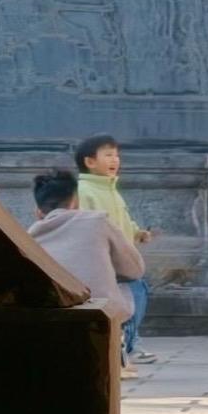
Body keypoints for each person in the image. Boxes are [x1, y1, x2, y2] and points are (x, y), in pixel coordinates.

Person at [29, 165, 141, 363]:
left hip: (49, 313)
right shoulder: (97, 221)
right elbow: (135, 268)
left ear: (38, 212)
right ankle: (126, 344)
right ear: (75, 202)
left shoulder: (30, 236)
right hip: (101, 311)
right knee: (135, 284)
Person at [76, 133, 150, 371]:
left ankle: (127, 348)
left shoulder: (111, 189)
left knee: (135, 296)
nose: (115, 160)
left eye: (117, 155)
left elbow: (123, 220)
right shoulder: (84, 190)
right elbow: (86, 225)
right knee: (128, 300)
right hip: (105, 260)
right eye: (108, 155)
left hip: (121, 257)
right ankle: (125, 350)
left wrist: (137, 233)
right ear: (89, 162)